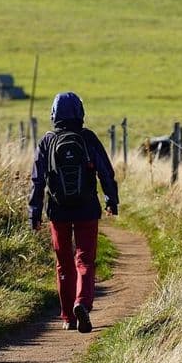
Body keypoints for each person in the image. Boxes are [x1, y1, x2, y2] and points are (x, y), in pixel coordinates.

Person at [28, 92, 119, 333]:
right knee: (85, 260)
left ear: (53, 113)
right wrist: (111, 199)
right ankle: (83, 304)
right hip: (87, 208)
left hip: (58, 211)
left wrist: (34, 212)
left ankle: (68, 316)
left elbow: (37, 180)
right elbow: (105, 171)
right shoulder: (87, 138)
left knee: (63, 263)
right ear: (80, 112)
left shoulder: (47, 141)